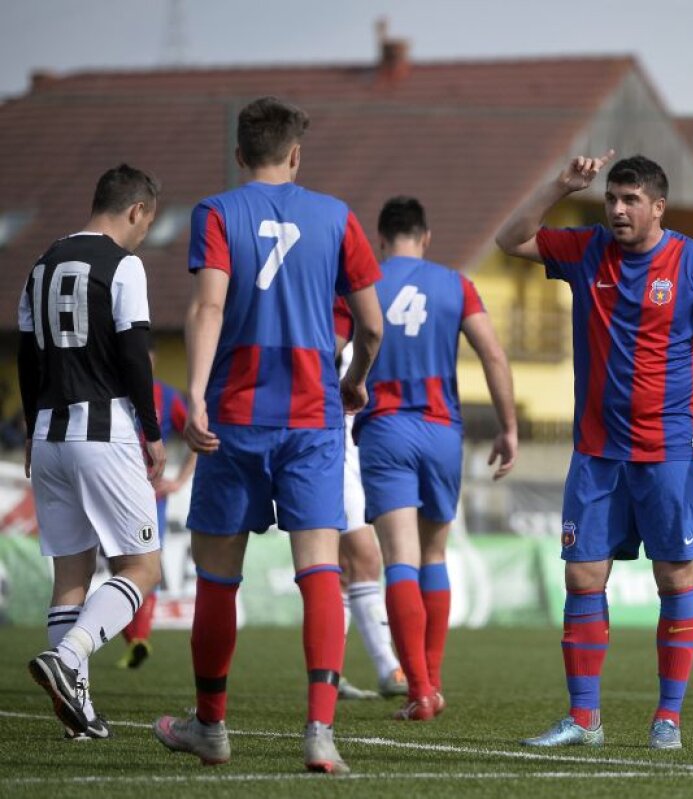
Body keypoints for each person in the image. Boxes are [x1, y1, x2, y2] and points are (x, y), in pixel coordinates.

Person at [496, 152, 693, 751]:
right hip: (597, 452)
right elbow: (509, 239)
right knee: (581, 576)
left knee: (674, 578)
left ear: (657, 207)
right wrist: (560, 185)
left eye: (630, 201)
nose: (617, 211)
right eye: (612, 200)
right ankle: (584, 718)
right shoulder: (586, 249)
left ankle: (667, 719)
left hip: (671, 448)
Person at [151, 96, 383, 775]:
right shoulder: (337, 216)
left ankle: (212, 727)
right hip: (313, 418)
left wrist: (193, 393)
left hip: (235, 418)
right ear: (296, 154)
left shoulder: (217, 212)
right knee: (320, 573)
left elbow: (209, 303)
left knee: (217, 579)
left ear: (240, 154)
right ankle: (319, 733)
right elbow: (370, 326)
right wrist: (357, 379)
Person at [356, 196, 517, 721]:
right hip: (442, 432)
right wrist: (509, 427)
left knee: (398, 558)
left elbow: (332, 345)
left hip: (387, 428)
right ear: (425, 238)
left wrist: (347, 387)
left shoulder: (363, 283)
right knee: (434, 556)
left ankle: (419, 690)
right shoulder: (456, 283)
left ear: (381, 240)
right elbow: (493, 353)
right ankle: (434, 681)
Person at [19, 164, 166, 740]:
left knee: (71, 575)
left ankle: (76, 714)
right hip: (103, 432)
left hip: (49, 435)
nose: (144, 235)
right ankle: (70, 656)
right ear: (136, 211)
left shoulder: (41, 264)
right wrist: (152, 430)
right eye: (147, 224)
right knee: (142, 567)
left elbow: (29, 358)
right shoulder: (123, 264)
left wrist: (32, 428)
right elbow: (134, 353)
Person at [333, 315, 406, 702]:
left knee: (347, 572)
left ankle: (329, 672)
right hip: (335, 457)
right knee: (366, 559)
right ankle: (388, 667)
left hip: (366, 456)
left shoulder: (378, 332)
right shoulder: (339, 325)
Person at [117, 346, 197, 669]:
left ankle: (140, 638)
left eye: (147, 354)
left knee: (148, 566)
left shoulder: (166, 395)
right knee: (119, 568)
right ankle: (134, 638)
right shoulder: (113, 393)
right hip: (113, 493)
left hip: (151, 499)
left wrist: (179, 480)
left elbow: (197, 436)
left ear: (154, 359)